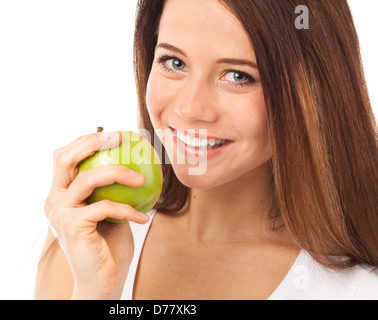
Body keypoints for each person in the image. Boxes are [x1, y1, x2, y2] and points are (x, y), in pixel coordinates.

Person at [35, 0, 378, 300]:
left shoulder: (358, 289)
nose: (190, 109)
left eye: (238, 76)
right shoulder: (84, 239)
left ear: (310, 93)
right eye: (175, 62)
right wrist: (94, 293)